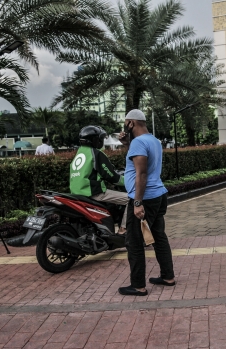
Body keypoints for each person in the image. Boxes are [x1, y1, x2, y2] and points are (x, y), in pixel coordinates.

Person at [118, 109, 174, 296]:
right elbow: (142, 166)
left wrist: (137, 202)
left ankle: (138, 286)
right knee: (159, 236)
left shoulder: (139, 143)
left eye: (126, 123)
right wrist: (127, 144)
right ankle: (167, 276)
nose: (125, 126)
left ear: (131, 123)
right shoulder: (153, 140)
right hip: (158, 195)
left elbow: (141, 174)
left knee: (133, 241)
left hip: (144, 197)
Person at [69, 125, 128, 235]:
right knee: (131, 199)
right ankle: (123, 230)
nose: (101, 142)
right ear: (94, 140)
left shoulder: (80, 153)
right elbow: (112, 176)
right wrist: (128, 181)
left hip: (77, 194)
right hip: (94, 193)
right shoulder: (96, 154)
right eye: (100, 139)